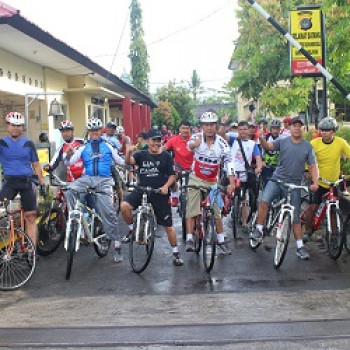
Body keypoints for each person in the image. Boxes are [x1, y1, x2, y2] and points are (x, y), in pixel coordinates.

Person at [250, 115, 319, 260]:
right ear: (290, 127)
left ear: (303, 128)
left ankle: (300, 246)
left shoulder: (307, 146)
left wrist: (315, 182)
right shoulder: (283, 140)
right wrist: (261, 138)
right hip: (277, 180)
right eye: (294, 125)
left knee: (295, 217)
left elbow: (313, 166)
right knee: (264, 202)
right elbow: (269, 147)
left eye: (299, 126)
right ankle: (259, 229)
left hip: (294, 185)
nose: (297, 128)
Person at [64, 118, 125, 263]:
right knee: (69, 189)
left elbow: (121, 161)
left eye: (97, 130)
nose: (94, 133)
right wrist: (68, 155)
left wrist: (130, 158)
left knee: (109, 214)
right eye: (92, 131)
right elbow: (69, 162)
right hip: (88, 178)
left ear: (100, 131)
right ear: (88, 132)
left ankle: (117, 245)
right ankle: (76, 217)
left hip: (104, 181)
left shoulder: (108, 146)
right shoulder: (83, 147)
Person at [120, 128, 184, 266]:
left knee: (168, 226)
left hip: (158, 192)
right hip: (142, 190)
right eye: (153, 140)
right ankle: (132, 229)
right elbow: (128, 162)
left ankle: (176, 253)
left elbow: (173, 175)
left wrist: (166, 186)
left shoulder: (166, 156)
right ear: (147, 141)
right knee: (124, 206)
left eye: (158, 140)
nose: (156, 143)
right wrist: (128, 152)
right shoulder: (141, 154)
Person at [185, 111, 235, 254]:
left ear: (216, 126)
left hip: (212, 181)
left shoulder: (222, 143)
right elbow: (189, 146)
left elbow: (228, 162)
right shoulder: (196, 137)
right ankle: (189, 238)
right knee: (192, 208)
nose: (209, 128)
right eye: (206, 125)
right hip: (196, 178)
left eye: (212, 124)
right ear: (202, 126)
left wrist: (231, 182)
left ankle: (220, 240)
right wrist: (195, 144)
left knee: (216, 211)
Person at [0, 112, 45, 246]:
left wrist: (42, 184)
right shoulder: (2, 143)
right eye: (13, 125)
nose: (16, 128)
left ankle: (32, 250)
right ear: (8, 126)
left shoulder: (28, 143)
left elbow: (36, 165)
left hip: (27, 182)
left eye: (19, 126)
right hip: (10, 183)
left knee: (30, 216)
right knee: (1, 210)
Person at [303, 117, 350, 242]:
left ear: (333, 131)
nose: (324, 132)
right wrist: (307, 171)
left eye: (327, 130)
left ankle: (334, 234)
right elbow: (307, 158)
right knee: (313, 207)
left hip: (333, 182)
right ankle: (307, 231)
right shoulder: (314, 143)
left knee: (334, 209)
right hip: (318, 181)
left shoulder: (340, 143)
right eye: (322, 130)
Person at [230, 121, 262, 228]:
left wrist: (258, 167)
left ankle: (245, 222)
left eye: (245, 129)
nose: (243, 132)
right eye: (240, 129)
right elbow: (221, 134)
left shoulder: (253, 144)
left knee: (245, 200)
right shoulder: (233, 140)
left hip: (245, 173)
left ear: (248, 130)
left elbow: (258, 157)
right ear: (238, 131)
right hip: (232, 173)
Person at [163, 120, 194, 207]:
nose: (185, 130)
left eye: (187, 128)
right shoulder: (174, 139)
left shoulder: (193, 139)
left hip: (192, 166)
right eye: (183, 128)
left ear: (189, 129)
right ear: (179, 129)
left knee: (193, 187)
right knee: (172, 175)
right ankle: (175, 196)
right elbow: (164, 148)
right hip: (178, 165)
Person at [261, 120, 281, 187]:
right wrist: (262, 161)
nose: (275, 131)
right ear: (271, 129)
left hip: (278, 166)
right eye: (273, 128)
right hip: (267, 165)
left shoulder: (282, 139)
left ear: (279, 129)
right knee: (267, 184)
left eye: (277, 128)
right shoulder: (266, 138)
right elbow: (262, 150)